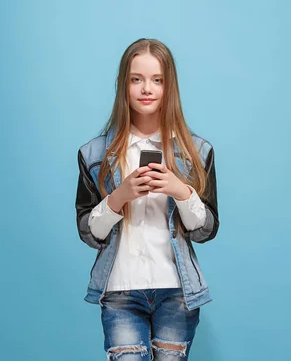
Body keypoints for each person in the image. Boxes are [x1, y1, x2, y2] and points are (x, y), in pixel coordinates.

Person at [75, 38, 219, 360]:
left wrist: (179, 190)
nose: (146, 88)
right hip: (120, 291)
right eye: (136, 79)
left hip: (176, 291)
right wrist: (119, 197)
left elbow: (206, 229)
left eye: (157, 80)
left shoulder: (197, 152)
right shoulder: (95, 153)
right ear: (123, 84)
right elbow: (88, 231)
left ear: (170, 87)